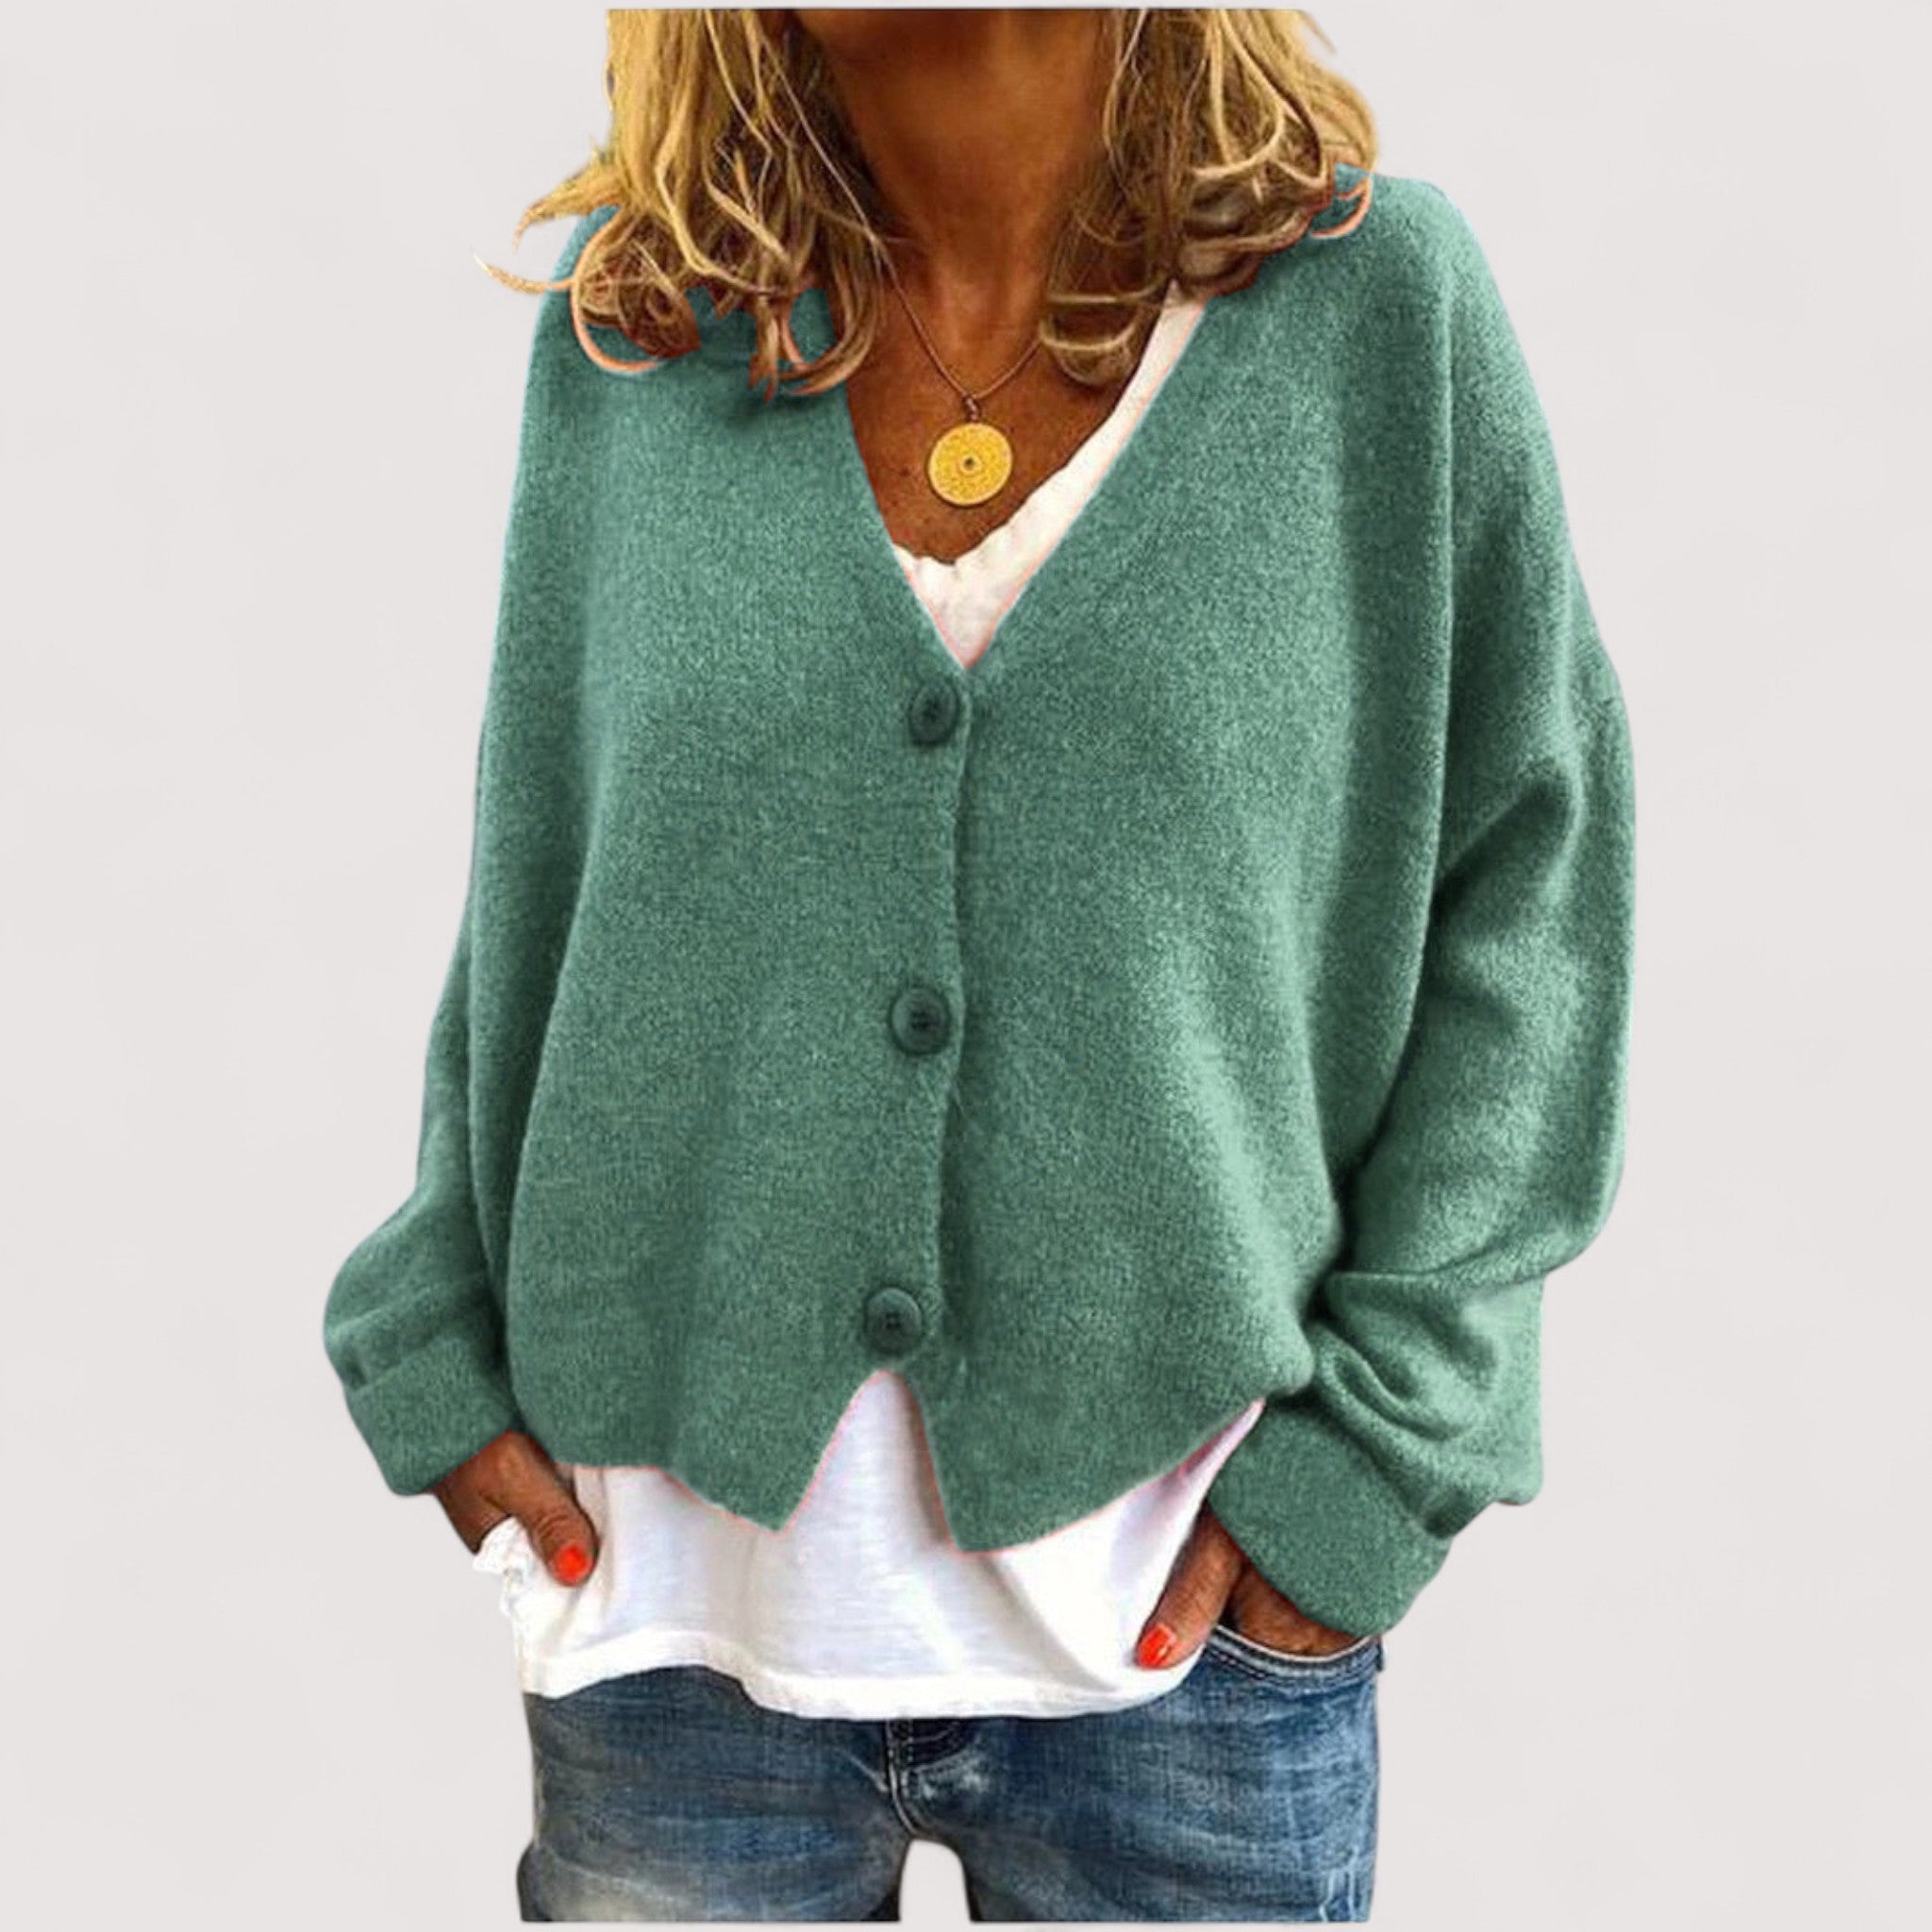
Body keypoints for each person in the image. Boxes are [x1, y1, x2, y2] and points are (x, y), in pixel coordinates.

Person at [321, 9, 1635, 1922]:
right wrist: (431, 1329)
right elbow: (545, 873)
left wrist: (1379, 1459)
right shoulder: (641, 332)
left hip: (1183, 1653)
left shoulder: (1372, 317)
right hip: (675, 1637)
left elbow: (1535, 884)